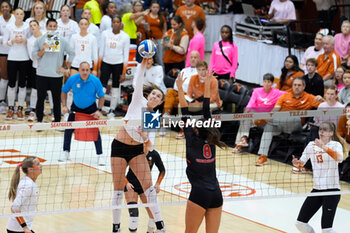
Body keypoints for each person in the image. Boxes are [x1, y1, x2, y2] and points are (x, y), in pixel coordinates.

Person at [110, 58, 165, 233]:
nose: (155, 97)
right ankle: (116, 227)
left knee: (149, 188)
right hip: (119, 146)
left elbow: (150, 147)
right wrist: (143, 64)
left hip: (136, 151)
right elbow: (138, 80)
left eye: (159, 96)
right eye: (154, 94)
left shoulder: (153, 117)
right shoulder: (138, 101)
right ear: (149, 96)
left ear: (160, 102)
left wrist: (143, 137)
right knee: (118, 190)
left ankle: (160, 226)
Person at [176, 69, 226, 233]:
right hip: (216, 194)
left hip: (199, 194)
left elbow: (185, 111)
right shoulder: (212, 139)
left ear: (196, 129)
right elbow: (206, 108)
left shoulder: (191, 137)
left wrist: (179, 89)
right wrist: (208, 84)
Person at [293, 122, 347, 233]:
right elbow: (301, 163)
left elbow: (339, 158)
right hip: (317, 190)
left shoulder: (335, 145)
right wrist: (297, 163)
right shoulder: (311, 145)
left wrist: (323, 146)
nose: (322, 132)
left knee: (327, 229)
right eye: (320, 129)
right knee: (300, 223)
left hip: (332, 191)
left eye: (325, 130)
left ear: (331, 133)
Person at [256, 77, 323, 166]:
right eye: (295, 85)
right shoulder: (285, 96)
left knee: (292, 116)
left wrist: (321, 99)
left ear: (304, 86)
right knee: (269, 127)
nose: (296, 87)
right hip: (279, 124)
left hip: (295, 125)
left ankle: (262, 120)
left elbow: (326, 105)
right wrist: (271, 116)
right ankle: (263, 156)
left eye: (299, 85)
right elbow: (275, 110)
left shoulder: (309, 98)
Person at [59, 62, 105, 164]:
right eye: (83, 70)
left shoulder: (95, 81)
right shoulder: (73, 79)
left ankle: (100, 155)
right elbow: (64, 91)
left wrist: (99, 110)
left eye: (87, 70)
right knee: (68, 129)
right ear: (79, 70)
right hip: (76, 108)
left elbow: (101, 96)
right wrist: (64, 105)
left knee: (95, 131)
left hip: (91, 109)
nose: (85, 72)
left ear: (90, 70)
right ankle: (65, 151)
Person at [32, 18, 75, 123]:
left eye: (54, 26)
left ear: (57, 27)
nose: (52, 28)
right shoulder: (40, 39)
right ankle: (39, 122)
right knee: (40, 99)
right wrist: (43, 49)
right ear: (46, 27)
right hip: (42, 74)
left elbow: (72, 52)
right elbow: (34, 56)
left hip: (56, 75)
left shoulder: (62, 40)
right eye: (50, 26)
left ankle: (57, 122)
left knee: (56, 100)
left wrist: (65, 68)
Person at [233, 73, 285, 153]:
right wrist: (246, 110)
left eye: (269, 82)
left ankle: (240, 143)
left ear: (272, 83)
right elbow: (251, 103)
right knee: (245, 117)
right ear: (263, 82)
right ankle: (243, 139)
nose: (266, 84)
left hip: (266, 118)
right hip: (255, 115)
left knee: (245, 120)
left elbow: (289, 95)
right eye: (265, 81)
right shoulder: (257, 91)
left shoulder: (277, 92)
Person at [124, 150, 165, 233]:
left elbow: (162, 170)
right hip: (131, 186)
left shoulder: (154, 154)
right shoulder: (132, 152)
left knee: (153, 215)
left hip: (145, 186)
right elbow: (120, 171)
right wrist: (126, 183)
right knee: (134, 215)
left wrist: (158, 183)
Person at [99, 15, 130, 119]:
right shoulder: (105, 34)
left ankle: (112, 110)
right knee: (102, 87)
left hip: (118, 64)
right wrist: (98, 68)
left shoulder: (125, 36)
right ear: (112, 23)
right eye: (114, 22)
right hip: (106, 63)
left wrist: (124, 72)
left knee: (115, 88)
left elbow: (126, 55)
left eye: (118, 22)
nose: (116, 24)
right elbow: (101, 51)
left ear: (120, 24)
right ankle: (99, 108)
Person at [3, 8, 30, 121]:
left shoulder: (27, 27)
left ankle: (19, 109)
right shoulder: (9, 27)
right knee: (12, 84)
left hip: (24, 58)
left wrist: (24, 41)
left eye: (21, 14)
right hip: (12, 58)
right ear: (15, 15)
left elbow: (31, 42)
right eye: (17, 14)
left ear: (24, 15)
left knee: (22, 84)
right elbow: (5, 43)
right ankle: (10, 108)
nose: (19, 16)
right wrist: (12, 41)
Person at [6, 156, 42, 233]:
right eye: (38, 164)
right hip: (18, 229)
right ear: (30, 169)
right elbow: (14, 207)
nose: (41, 166)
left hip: (19, 228)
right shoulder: (28, 185)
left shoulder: (27, 182)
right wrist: (25, 227)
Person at [163, 50, 200, 116]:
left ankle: (166, 116)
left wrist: (183, 86)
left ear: (199, 59)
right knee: (170, 91)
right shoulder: (184, 70)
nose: (193, 59)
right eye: (191, 57)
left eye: (195, 57)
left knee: (171, 99)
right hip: (180, 93)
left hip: (190, 97)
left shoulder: (201, 72)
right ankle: (166, 115)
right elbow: (176, 85)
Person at [26, 20, 43, 122]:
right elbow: (32, 57)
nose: (32, 27)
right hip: (36, 67)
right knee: (35, 90)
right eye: (31, 26)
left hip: (48, 67)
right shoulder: (30, 40)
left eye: (34, 25)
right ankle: (33, 110)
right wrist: (42, 52)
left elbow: (54, 51)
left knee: (49, 91)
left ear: (39, 26)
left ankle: (53, 111)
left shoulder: (47, 35)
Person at [0, 0, 15, 114]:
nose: (4, 8)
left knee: (15, 78)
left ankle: (12, 102)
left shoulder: (16, 18)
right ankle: (1, 101)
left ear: (10, 8)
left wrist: (6, 40)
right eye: (2, 7)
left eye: (6, 6)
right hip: (3, 51)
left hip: (15, 52)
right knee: (4, 76)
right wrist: (5, 40)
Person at [145, 0, 167, 67]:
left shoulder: (161, 17)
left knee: (160, 57)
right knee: (151, 58)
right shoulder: (147, 16)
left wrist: (164, 40)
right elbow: (144, 28)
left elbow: (164, 30)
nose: (155, 9)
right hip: (150, 39)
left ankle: (162, 73)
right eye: (154, 7)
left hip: (159, 39)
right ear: (150, 8)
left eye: (157, 7)